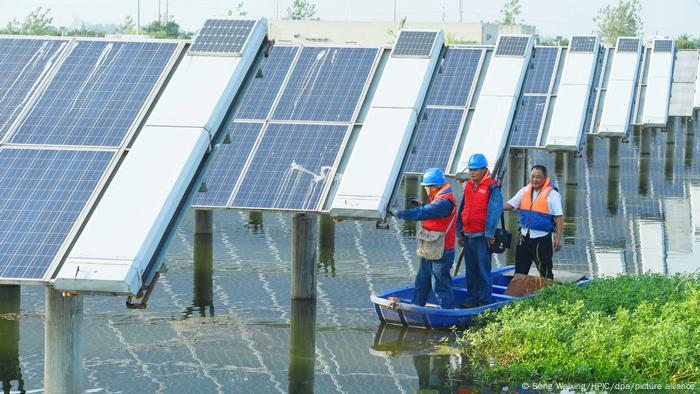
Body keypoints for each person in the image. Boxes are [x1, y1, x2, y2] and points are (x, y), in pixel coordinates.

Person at [391, 168, 456, 309]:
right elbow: (430, 210)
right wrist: (422, 204)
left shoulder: (445, 202)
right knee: (422, 281)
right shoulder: (438, 198)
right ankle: (416, 308)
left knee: (440, 285)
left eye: (427, 186)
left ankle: (448, 314)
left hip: (442, 251)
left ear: (434, 187)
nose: (425, 189)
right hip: (431, 248)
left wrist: (399, 213)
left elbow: (425, 213)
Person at [456, 153, 503, 308]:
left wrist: (489, 234)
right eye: (470, 169)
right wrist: (459, 232)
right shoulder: (469, 185)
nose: (472, 172)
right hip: (468, 234)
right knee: (471, 270)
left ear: (484, 170)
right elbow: (463, 208)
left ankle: (484, 302)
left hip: (482, 236)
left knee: (483, 270)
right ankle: (471, 300)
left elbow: (494, 212)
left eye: (475, 169)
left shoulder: (492, 187)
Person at [503, 164, 563, 280]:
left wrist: (558, 238)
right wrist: (493, 207)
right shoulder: (525, 191)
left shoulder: (553, 195)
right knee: (519, 271)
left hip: (542, 240)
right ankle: (518, 296)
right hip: (524, 238)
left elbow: (558, 217)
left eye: (538, 177)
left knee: (545, 271)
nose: (535, 180)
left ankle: (547, 294)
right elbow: (511, 204)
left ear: (545, 178)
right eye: (532, 177)